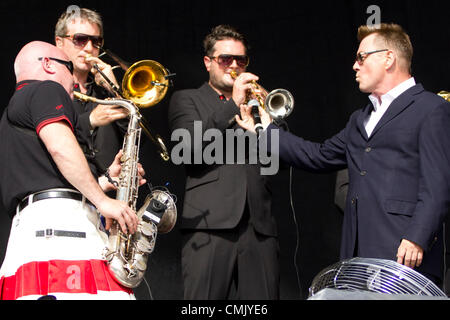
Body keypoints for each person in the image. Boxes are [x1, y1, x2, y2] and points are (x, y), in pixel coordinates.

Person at [237, 23, 450, 286]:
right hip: (358, 257)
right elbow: (318, 155)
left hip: (406, 255)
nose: (354, 65)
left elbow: (438, 185)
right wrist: (266, 129)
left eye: (361, 57)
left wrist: (417, 237)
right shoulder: (359, 119)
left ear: (388, 58)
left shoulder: (431, 108)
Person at [0, 41, 142, 300]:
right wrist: (103, 202)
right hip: (63, 230)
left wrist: (105, 180)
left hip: (36, 231)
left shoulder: (15, 110)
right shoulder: (46, 89)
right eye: (69, 68)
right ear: (48, 65)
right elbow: (60, 148)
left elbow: (47, 179)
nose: (75, 82)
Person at [168, 25, 279, 299]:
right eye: (225, 59)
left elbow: (279, 159)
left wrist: (270, 125)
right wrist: (233, 106)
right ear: (208, 63)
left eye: (240, 60)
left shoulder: (258, 104)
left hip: (259, 227)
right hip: (209, 226)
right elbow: (186, 150)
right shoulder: (187, 99)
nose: (234, 66)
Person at [55, 7, 128, 175]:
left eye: (96, 42)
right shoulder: (48, 88)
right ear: (59, 42)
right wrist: (90, 120)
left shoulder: (104, 92)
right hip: (67, 190)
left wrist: (114, 89)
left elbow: (136, 137)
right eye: (80, 39)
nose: (89, 48)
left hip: (109, 194)